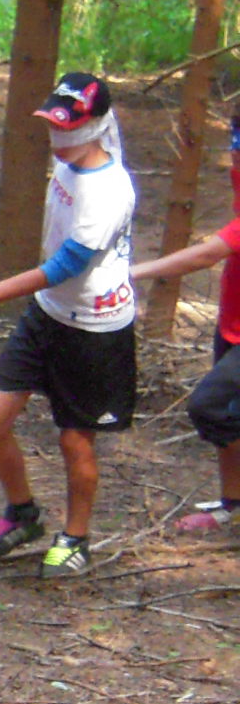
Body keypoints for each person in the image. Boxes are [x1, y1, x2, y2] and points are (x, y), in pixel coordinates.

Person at [0, 73, 137, 581]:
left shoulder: (109, 190)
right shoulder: (67, 164)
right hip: (48, 313)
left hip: (95, 328)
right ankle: (23, 514)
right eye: (54, 123)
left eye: (69, 126)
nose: (57, 136)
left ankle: (75, 538)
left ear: (95, 126)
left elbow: (66, 265)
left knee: (75, 441)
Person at [128, 105, 240, 532]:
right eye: (234, 138)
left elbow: (207, 254)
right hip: (232, 322)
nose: (235, 152)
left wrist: (131, 272)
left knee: (210, 408)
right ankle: (232, 505)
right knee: (227, 412)